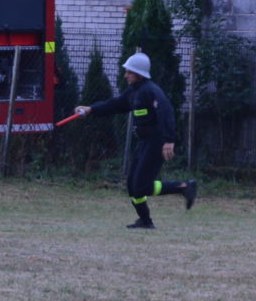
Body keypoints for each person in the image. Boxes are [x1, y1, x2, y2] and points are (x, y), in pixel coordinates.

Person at [75, 51, 197, 229]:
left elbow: (167, 112)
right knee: (133, 185)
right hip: (144, 143)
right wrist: (91, 109)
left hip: (156, 142)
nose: (125, 75)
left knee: (141, 186)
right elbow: (115, 104)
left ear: (139, 74)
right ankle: (145, 221)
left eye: (129, 72)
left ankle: (183, 187)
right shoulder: (133, 92)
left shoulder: (151, 91)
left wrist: (169, 140)